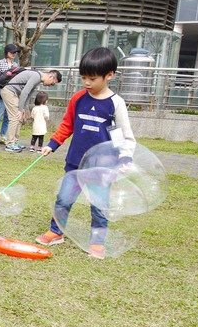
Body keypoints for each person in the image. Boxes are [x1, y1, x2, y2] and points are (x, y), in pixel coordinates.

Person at [35, 47, 136, 259]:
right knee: (63, 199)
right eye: (83, 78)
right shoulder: (78, 98)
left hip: (102, 166)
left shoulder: (115, 103)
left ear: (109, 75)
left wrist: (124, 157)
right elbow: (67, 125)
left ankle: (97, 242)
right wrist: (52, 144)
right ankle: (56, 231)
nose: (86, 83)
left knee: (99, 206)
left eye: (92, 78)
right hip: (75, 162)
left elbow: (123, 135)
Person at [1, 68, 62, 152]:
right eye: (52, 83)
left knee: (20, 118)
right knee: (15, 117)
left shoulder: (38, 79)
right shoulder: (36, 76)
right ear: (51, 76)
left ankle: (14, 142)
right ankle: (9, 144)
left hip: (15, 94)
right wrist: (20, 109)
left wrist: (25, 110)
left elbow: (28, 95)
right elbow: (24, 92)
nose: (50, 85)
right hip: (9, 92)